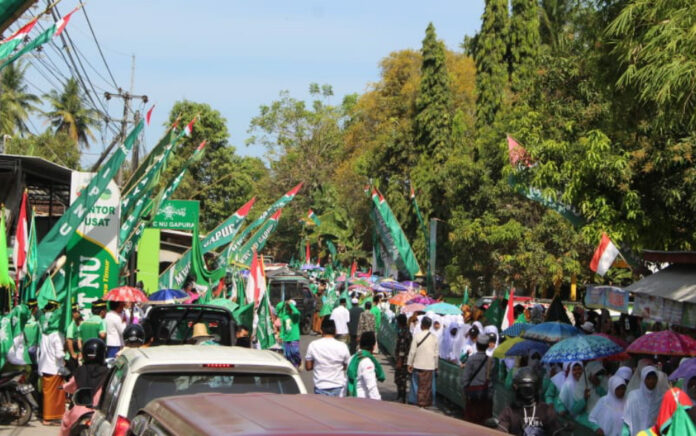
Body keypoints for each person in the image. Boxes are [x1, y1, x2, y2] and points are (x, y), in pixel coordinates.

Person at [59, 339, 108, 436]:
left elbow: (70, 386)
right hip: (100, 413)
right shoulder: (108, 372)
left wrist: (63, 387)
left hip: (79, 411)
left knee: (65, 423)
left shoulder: (80, 371)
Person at [497, 367, 563, 435]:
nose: (527, 391)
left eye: (529, 388)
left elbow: (557, 432)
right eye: (524, 388)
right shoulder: (509, 411)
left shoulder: (547, 411)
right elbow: (501, 431)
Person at [305, 319, 351, 396]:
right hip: (338, 386)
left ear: (321, 330)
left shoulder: (313, 345)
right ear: (335, 331)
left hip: (320, 386)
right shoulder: (343, 346)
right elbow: (346, 366)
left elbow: (308, 367)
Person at [38, 301, 66, 425]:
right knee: (53, 395)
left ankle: (51, 415)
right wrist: (64, 356)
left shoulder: (44, 334)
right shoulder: (56, 335)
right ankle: (48, 417)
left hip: (44, 366)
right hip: (54, 368)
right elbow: (59, 354)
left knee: (50, 394)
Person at [623, 366, 669, 436]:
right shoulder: (633, 396)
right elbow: (627, 419)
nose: (651, 381)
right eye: (648, 378)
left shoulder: (661, 398)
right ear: (643, 379)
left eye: (654, 378)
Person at [461, 333, 495, 425]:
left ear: (477, 345)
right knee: (484, 421)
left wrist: (464, 392)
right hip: (485, 394)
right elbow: (492, 379)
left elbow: (465, 378)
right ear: (488, 346)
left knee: (471, 420)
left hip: (472, 394)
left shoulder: (471, 359)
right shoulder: (491, 360)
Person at [407, 317, 439, 408]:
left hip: (418, 364)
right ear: (430, 326)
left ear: (421, 325)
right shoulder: (434, 338)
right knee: (428, 385)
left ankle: (415, 400)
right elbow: (436, 354)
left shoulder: (417, 336)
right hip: (430, 366)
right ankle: (428, 401)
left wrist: (410, 363)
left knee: (415, 383)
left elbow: (412, 351)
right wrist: (436, 365)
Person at [346, 332, 384, 400]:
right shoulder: (367, 362)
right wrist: (379, 403)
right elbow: (371, 387)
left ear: (360, 344)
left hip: (351, 397)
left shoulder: (352, 358)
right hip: (363, 401)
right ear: (374, 346)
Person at [277, 300, 301, 368]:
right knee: (288, 355)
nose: (288, 308)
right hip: (286, 338)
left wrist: (291, 305)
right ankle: (294, 366)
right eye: (287, 307)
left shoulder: (295, 316)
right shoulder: (285, 316)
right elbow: (283, 328)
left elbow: (297, 312)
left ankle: (299, 361)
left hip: (294, 337)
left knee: (295, 351)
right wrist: (281, 336)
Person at [394, 313, 412, 403]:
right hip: (405, 360)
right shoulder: (405, 332)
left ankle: (402, 396)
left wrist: (399, 361)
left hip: (403, 360)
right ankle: (401, 395)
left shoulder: (404, 334)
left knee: (400, 379)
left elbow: (402, 348)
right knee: (402, 379)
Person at [65, 302, 82, 372]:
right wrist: (73, 354)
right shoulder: (71, 326)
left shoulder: (79, 324)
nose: (78, 313)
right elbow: (69, 341)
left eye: (79, 311)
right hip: (71, 356)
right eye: (77, 312)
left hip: (78, 354)